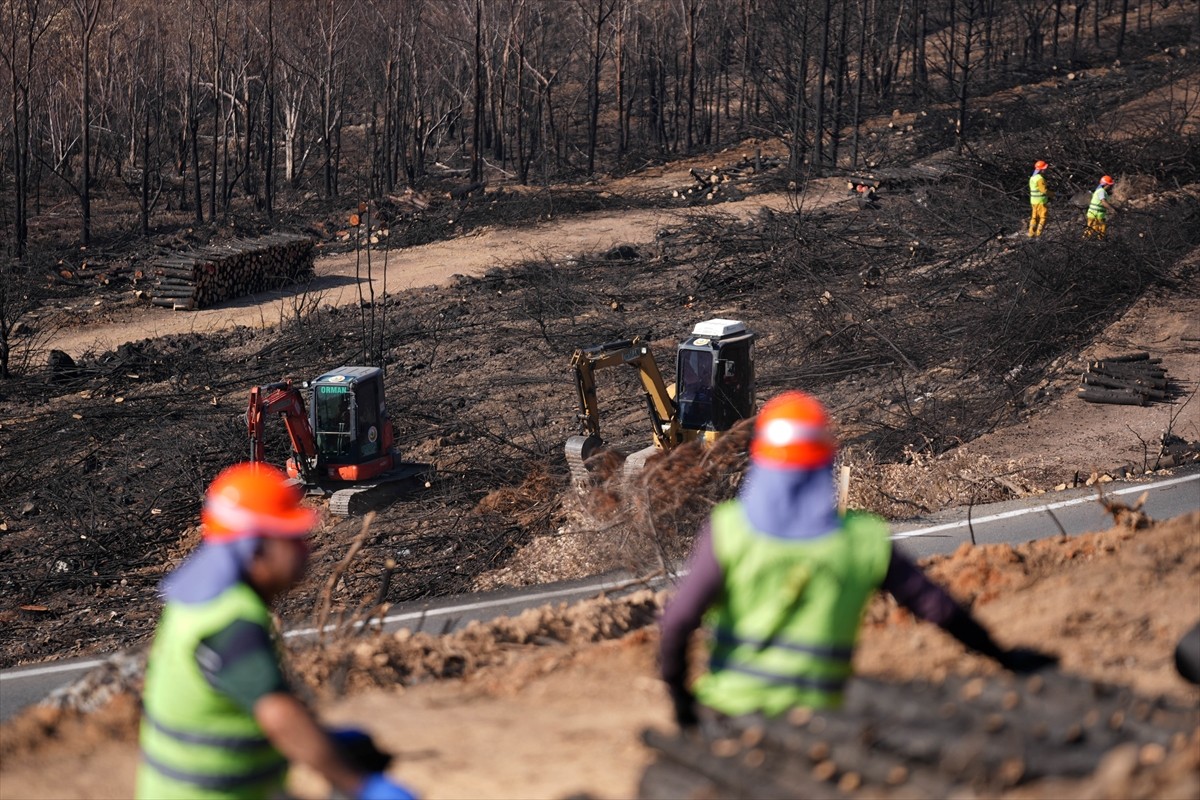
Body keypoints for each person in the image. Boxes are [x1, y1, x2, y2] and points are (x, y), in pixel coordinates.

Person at [658, 391, 1057, 726]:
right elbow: (938, 608)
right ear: (825, 462)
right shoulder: (863, 541)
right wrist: (1003, 656)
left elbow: (678, 623)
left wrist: (681, 700)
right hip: (816, 720)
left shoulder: (729, 531)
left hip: (729, 710)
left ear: (761, 462)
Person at [137, 462, 416, 800]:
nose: (304, 550)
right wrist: (358, 784)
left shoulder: (198, 602)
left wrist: (322, 740)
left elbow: (238, 712)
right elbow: (278, 715)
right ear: (256, 547)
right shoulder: (230, 620)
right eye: (291, 538)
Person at [1084, 175, 1116, 240]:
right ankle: (1099, 241)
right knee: (1101, 229)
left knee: (1090, 228)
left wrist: (1115, 208)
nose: (1111, 187)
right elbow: (1103, 202)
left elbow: (1104, 203)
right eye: (1110, 185)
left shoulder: (1098, 191)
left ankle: (1086, 240)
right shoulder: (1101, 191)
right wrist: (1112, 210)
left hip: (1092, 213)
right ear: (1106, 185)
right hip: (1097, 214)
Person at [1028, 160, 1051, 237]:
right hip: (1041, 201)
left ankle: (1031, 233)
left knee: (1034, 217)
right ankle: (1039, 234)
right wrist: (1053, 194)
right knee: (1043, 217)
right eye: (1044, 169)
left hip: (1033, 201)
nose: (1046, 170)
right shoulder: (1040, 179)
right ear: (1041, 170)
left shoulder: (1032, 178)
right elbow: (1043, 190)